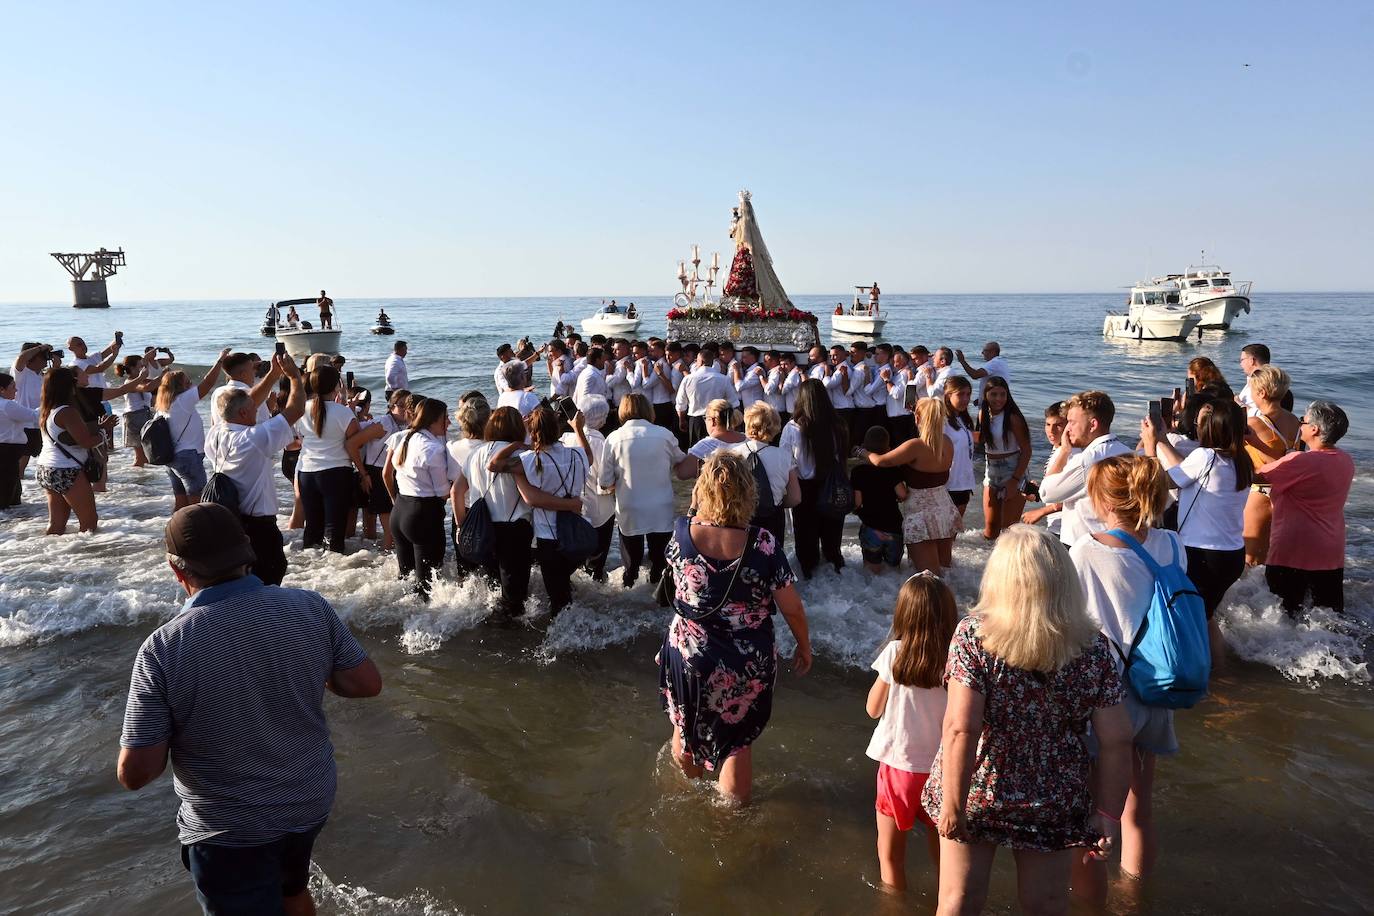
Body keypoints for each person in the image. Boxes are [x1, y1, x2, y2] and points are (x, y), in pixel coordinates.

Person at [117, 503, 381, 916]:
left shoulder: (164, 647)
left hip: (230, 827)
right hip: (309, 800)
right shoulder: (310, 607)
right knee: (292, 889)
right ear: (247, 553)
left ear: (177, 570)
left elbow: (137, 773)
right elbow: (365, 683)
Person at [922, 525, 1133, 916]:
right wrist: (1107, 813)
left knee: (959, 900)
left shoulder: (974, 637)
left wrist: (952, 803)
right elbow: (1118, 739)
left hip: (981, 785)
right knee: (1046, 904)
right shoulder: (1093, 647)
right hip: (1054, 792)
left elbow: (961, 728)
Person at [658, 451, 812, 804]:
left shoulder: (681, 534)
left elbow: (681, 596)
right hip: (747, 660)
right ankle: (731, 814)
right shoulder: (763, 543)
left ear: (703, 490)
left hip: (690, 654)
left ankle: (688, 796)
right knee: (737, 741)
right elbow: (793, 608)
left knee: (685, 726)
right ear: (748, 492)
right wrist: (804, 646)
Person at [1068, 455, 1181, 906]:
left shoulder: (1085, 550)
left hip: (1105, 695)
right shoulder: (1172, 544)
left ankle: (1090, 906)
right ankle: (1135, 898)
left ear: (1105, 501)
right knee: (1139, 808)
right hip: (1158, 684)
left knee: (1094, 814)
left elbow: (1073, 623)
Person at [1143, 399, 1252, 666]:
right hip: (1232, 555)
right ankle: (1220, 672)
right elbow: (1184, 470)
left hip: (1202, 556)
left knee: (1187, 620)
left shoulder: (1205, 457)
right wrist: (1162, 441)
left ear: (1212, 429)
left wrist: (1150, 446)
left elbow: (1161, 481)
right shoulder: (1241, 460)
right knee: (1205, 615)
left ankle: (1196, 676)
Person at [867, 573, 957, 890]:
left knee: (890, 857)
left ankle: (895, 905)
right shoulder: (957, 658)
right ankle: (947, 903)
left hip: (898, 767)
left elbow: (872, 709)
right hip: (944, 771)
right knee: (945, 854)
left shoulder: (894, 654)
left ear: (903, 614)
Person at [204, 355, 304, 586]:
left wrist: (273, 375)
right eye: (254, 410)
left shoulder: (215, 434)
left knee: (241, 578)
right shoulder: (252, 438)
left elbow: (246, 402)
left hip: (233, 520)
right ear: (242, 414)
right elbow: (296, 410)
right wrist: (295, 377)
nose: (257, 412)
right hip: (258, 525)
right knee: (269, 574)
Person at [489, 406, 591, 615]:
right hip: (575, 533)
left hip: (549, 538)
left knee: (558, 598)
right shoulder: (577, 455)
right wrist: (579, 430)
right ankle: (573, 630)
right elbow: (589, 456)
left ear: (533, 432)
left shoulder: (530, 460)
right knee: (565, 589)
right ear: (558, 429)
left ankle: (563, 640)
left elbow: (494, 464)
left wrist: (518, 443)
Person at [1257, 401, 1354, 615]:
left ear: (1314, 429)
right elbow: (1288, 471)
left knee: (1284, 616)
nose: (1300, 424)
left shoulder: (1301, 461)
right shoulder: (1346, 461)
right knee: (1329, 618)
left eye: (1304, 421)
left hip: (1293, 549)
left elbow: (1258, 477)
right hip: (1330, 551)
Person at [601, 394, 694, 588]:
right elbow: (681, 462)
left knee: (631, 565)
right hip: (660, 506)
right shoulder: (665, 435)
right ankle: (659, 597)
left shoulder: (613, 438)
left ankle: (629, 594)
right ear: (648, 410)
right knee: (660, 563)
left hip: (630, 507)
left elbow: (604, 481)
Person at [864, 399, 961, 574]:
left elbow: (880, 461)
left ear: (917, 418)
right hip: (945, 510)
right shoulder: (947, 442)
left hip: (920, 515)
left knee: (927, 576)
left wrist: (862, 452)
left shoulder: (915, 446)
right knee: (946, 571)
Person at [453, 407, 534, 617]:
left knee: (493, 586)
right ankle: (508, 636)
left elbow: (456, 491)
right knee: (515, 593)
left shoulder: (475, 453)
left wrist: (462, 526)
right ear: (518, 428)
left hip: (483, 528)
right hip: (514, 528)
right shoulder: (520, 454)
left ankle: (491, 628)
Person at [382, 398, 459, 599]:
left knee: (405, 579)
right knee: (426, 587)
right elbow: (443, 492)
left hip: (399, 512)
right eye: (445, 418)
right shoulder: (433, 449)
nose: (449, 422)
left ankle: (396, 618)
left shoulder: (405, 438)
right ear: (434, 420)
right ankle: (423, 626)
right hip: (422, 516)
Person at [1039, 390, 1133, 547]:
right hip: (1120, 542)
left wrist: (1064, 451)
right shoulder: (1128, 452)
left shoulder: (1090, 459)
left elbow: (1046, 493)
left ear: (1093, 425)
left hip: (1083, 544)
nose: (1068, 429)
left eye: (1072, 422)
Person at [781, 378, 849, 578]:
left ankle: (810, 584)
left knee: (806, 548)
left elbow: (786, 463)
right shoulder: (839, 424)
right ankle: (837, 577)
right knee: (832, 546)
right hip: (833, 486)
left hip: (804, 489)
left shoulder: (793, 427)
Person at [153, 349, 232, 511]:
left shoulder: (163, 406)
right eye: (187, 382)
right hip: (187, 457)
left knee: (181, 503)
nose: (191, 385)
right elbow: (208, 383)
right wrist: (220, 361)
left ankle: (175, 532)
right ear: (179, 387)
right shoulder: (183, 400)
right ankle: (197, 533)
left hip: (171, 458)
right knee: (198, 502)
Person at [35, 367, 111, 533]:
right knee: (89, 522)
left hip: (46, 468)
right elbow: (87, 442)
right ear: (69, 386)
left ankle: (52, 555)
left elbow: (67, 436)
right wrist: (103, 433)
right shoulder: (68, 412)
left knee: (56, 524)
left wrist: (98, 427)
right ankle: (86, 556)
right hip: (67, 469)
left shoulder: (47, 410)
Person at [295, 366, 362, 553]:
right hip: (336, 472)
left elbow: (299, 439)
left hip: (307, 472)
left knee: (313, 526)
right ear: (337, 385)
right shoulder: (343, 412)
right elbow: (356, 442)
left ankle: (309, 567)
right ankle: (333, 570)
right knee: (334, 529)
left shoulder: (301, 410)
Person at [1241, 365, 1301, 566]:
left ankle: (1250, 596)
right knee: (1271, 552)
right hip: (1286, 490)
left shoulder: (1255, 424)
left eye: (1251, 389)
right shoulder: (1294, 421)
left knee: (1250, 556)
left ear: (1261, 393)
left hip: (1262, 489)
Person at [559, 398, 616, 582]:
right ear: (601, 420)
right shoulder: (602, 443)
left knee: (574, 553)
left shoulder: (565, 439)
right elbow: (604, 482)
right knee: (596, 559)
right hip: (599, 510)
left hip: (572, 506)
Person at [728, 403, 799, 549]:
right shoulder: (784, 456)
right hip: (772, 519)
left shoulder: (732, 454)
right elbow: (795, 498)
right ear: (775, 427)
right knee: (771, 562)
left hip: (740, 518)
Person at [345, 388, 409, 550]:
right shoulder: (384, 423)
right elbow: (351, 443)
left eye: (409, 406)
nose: (405, 410)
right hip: (376, 474)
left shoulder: (408, 424)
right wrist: (363, 473)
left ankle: (375, 556)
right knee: (391, 532)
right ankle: (384, 563)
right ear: (391, 406)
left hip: (397, 475)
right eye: (400, 405)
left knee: (391, 526)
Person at [975, 377, 1033, 540]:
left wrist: (1014, 480)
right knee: (991, 528)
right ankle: (984, 563)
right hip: (991, 471)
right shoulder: (983, 415)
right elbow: (981, 441)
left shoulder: (1013, 418)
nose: (998, 399)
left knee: (1009, 529)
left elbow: (1027, 451)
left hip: (1013, 470)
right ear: (986, 395)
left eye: (1003, 394)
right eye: (994, 394)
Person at [852, 426, 909, 574]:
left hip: (871, 527)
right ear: (889, 449)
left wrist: (856, 510)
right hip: (894, 527)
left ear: (864, 447)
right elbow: (902, 494)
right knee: (893, 572)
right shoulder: (893, 470)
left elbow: (857, 502)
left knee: (872, 573)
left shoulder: (858, 472)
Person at [1020, 402, 1072, 534]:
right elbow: (1058, 490)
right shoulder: (1058, 449)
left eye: (1058, 425)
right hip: (1056, 524)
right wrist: (1037, 493)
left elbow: (1076, 497)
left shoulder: (1070, 454)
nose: (1051, 430)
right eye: (1048, 424)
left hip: (1066, 529)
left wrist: (1042, 511)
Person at [675, 345, 739, 447]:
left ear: (699, 362)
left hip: (696, 421)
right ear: (712, 362)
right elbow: (734, 403)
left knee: (697, 453)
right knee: (717, 451)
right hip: (718, 419)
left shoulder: (688, 379)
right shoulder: (723, 379)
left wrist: (681, 420)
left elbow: (681, 404)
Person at [0, 372, 39, 509]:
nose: (16, 390)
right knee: (8, 488)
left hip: (5, 449)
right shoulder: (7, 405)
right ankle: (10, 517)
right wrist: (48, 401)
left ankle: (10, 517)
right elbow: (34, 416)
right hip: (7, 450)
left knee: (9, 486)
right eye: (12, 387)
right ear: (1, 389)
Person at [942, 377, 977, 531]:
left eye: (968, 394)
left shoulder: (963, 418)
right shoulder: (942, 420)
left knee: (953, 531)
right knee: (943, 531)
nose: (965, 399)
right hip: (948, 484)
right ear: (948, 395)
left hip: (964, 482)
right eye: (960, 394)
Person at [114, 352, 155, 467]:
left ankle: (143, 478)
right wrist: (163, 376)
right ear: (132, 368)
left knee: (146, 455)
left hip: (144, 415)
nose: (143, 368)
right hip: (134, 417)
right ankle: (137, 480)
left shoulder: (141, 380)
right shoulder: (130, 383)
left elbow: (151, 385)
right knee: (140, 457)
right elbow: (148, 388)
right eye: (140, 366)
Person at [687, 399, 746, 465]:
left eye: (705, 418)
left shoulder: (704, 446)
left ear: (713, 421)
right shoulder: (748, 439)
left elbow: (682, 472)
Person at [881, 348, 917, 445]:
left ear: (904, 361)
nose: (894, 364)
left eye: (897, 362)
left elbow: (896, 394)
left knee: (901, 444)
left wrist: (886, 380)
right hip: (897, 416)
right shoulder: (899, 373)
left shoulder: (904, 374)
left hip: (900, 416)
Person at [573, 346, 612, 416]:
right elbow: (584, 399)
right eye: (603, 358)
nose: (605, 361)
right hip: (591, 418)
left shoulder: (587, 372)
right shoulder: (591, 375)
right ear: (598, 360)